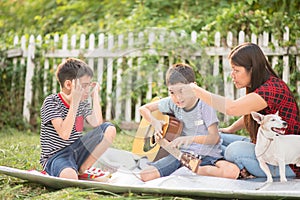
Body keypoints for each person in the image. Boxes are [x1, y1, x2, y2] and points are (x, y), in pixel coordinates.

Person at [189, 42, 300, 179]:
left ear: (252, 69)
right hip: (264, 147)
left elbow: (231, 108)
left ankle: (236, 169)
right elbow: (253, 115)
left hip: (286, 163)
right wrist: (230, 129)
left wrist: (196, 90)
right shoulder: (263, 86)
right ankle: (228, 164)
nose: (232, 75)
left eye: (236, 70)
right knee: (216, 137)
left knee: (233, 150)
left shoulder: (272, 89)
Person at [139, 63, 240, 182]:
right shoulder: (172, 103)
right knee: (145, 176)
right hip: (181, 155)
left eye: (182, 91)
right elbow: (143, 109)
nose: (177, 97)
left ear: (194, 88)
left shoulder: (205, 105)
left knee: (233, 172)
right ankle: (186, 165)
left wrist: (189, 139)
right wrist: (155, 122)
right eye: (172, 92)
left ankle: (196, 169)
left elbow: (215, 138)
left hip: (208, 155)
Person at [40, 58, 116, 181]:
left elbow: (97, 123)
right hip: (56, 156)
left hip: (77, 150)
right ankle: (73, 171)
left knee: (109, 129)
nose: (87, 89)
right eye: (85, 86)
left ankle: (82, 169)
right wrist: (74, 101)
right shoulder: (52, 102)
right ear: (69, 84)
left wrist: (95, 96)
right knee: (69, 177)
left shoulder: (82, 103)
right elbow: (65, 134)